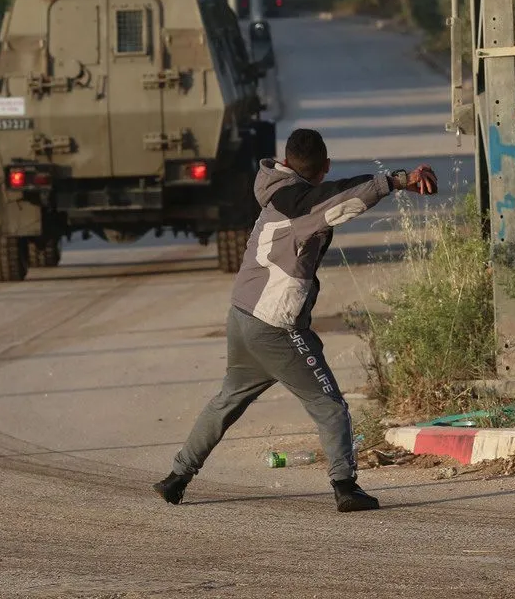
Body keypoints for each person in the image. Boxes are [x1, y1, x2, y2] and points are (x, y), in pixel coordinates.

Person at [153, 128, 438, 512]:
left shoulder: (278, 192)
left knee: (227, 400)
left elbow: (329, 194)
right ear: (326, 166)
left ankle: (176, 478)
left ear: (286, 162)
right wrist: (395, 181)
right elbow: (344, 201)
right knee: (329, 405)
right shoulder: (304, 207)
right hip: (274, 324)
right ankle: (345, 487)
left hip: (241, 315)